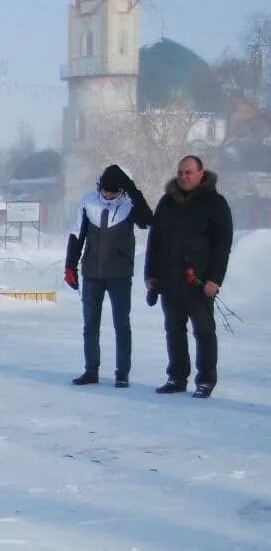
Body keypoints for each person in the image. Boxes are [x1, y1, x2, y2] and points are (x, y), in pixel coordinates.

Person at [144, 155, 234, 398]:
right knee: (173, 330)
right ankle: (176, 377)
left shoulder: (215, 203)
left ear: (200, 173)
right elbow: (154, 240)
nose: (184, 176)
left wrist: (215, 279)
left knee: (204, 332)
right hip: (169, 280)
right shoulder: (167, 202)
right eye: (181, 172)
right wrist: (150, 273)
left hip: (199, 282)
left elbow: (222, 245)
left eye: (189, 172)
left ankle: (205, 380)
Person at [64, 164, 153, 388]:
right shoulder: (88, 202)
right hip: (92, 273)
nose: (108, 194)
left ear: (122, 190)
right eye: (105, 190)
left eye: (113, 191)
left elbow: (147, 220)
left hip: (120, 275)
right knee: (90, 325)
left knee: (122, 324)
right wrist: (70, 266)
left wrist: (133, 190)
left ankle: (122, 373)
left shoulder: (129, 203)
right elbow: (77, 234)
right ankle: (90, 370)